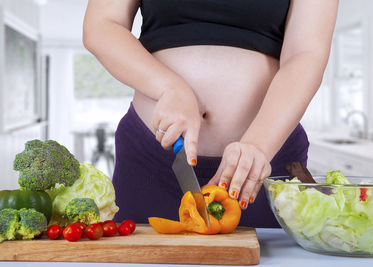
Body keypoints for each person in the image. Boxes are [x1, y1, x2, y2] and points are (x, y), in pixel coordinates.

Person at [83, 0, 338, 227]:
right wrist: (169, 87)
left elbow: (306, 53)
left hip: (261, 167)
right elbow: (102, 24)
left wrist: (258, 146)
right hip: (152, 160)